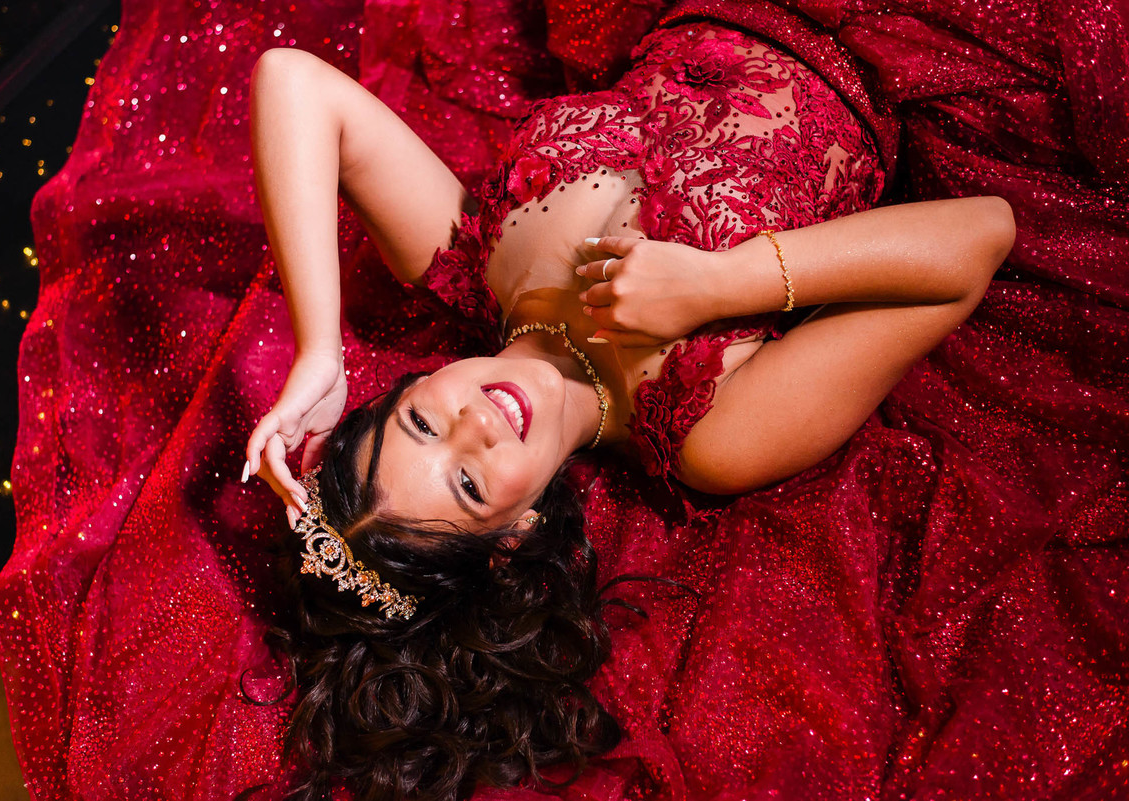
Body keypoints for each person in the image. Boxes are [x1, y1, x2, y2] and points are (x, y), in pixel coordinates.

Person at [241, 22, 1014, 800]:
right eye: (469, 485)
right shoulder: (712, 432)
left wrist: (319, 351)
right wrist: (726, 283)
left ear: (405, 387)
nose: (475, 426)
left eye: (421, 423)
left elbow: (292, 78)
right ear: (515, 534)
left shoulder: (465, 259)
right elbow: (980, 236)